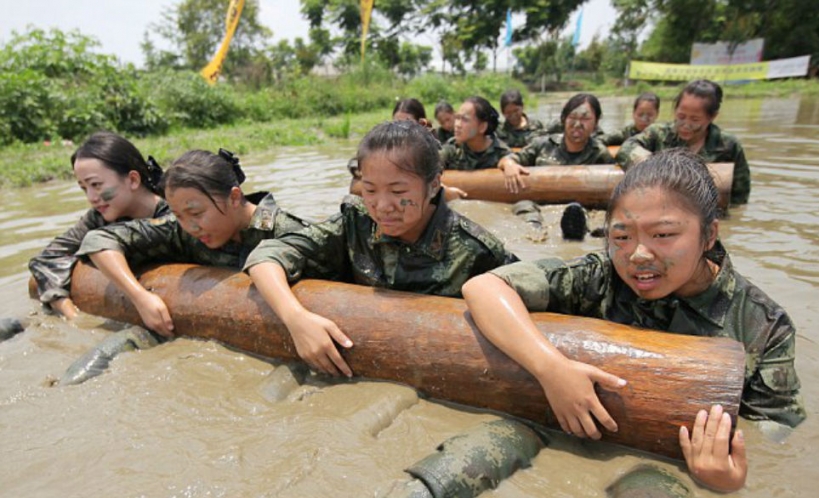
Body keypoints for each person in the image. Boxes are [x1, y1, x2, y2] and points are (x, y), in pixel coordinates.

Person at [462, 149, 805, 493]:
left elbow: (778, 439)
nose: (639, 255)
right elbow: (484, 287)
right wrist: (552, 369)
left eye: (663, 235)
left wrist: (727, 479)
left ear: (709, 235)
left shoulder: (762, 325)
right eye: (622, 237)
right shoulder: (600, 277)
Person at [244, 120, 518, 378]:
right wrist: (296, 319)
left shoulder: (477, 250)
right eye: (370, 190)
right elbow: (266, 255)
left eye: (398, 193)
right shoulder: (354, 223)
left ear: (434, 185)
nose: (382, 206)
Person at [76, 148, 312, 337]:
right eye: (179, 215)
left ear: (234, 197)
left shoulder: (287, 232)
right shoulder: (183, 232)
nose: (191, 226)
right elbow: (98, 239)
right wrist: (139, 296)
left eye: (197, 213)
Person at [28, 131, 167, 319]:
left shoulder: (177, 212)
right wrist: (70, 312)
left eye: (96, 184)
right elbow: (47, 258)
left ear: (133, 180)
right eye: (84, 188)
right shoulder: (98, 218)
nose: (91, 198)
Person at [498, 93, 615, 240]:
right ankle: (535, 232)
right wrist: (509, 164)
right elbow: (509, 158)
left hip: (578, 206)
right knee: (524, 206)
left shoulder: (600, 153)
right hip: (538, 204)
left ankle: (579, 230)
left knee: (587, 213)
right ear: (563, 120)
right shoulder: (542, 145)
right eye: (572, 118)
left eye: (585, 119)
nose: (577, 124)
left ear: (596, 123)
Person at [616, 80, 751, 205]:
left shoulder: (728, 146)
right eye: (681, 116)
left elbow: (740, 198)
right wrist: (649, 164)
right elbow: (627, 147)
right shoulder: (658, 134)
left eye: (695, 119)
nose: (686, 125)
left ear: (712, 117)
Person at [439, 96, 513, 171]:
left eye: (465, 119)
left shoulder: (501, 153)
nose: (457, 125)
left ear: (482, 127)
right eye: (457, 118)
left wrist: (508, 164)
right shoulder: (452, 149)